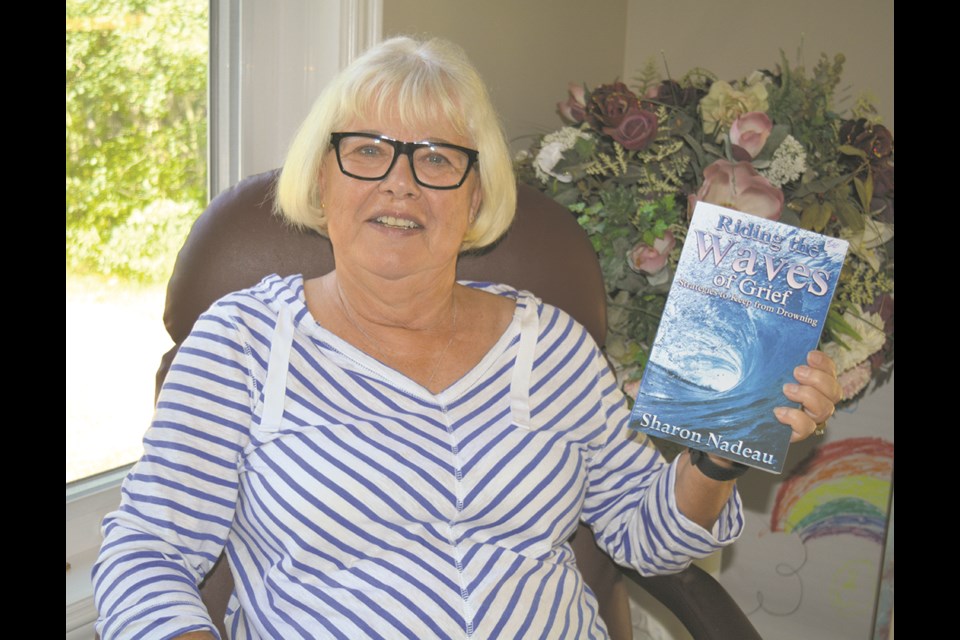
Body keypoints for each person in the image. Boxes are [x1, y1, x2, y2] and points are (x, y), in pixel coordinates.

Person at [92, 37, 841, 639]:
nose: (400, 183)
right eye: (366, 150)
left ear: (477, 195)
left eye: (439, 158)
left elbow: (649, 541)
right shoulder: (244, 341)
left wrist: (719, 451)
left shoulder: (552, 345)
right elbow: (143, 553)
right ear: (322, 176)